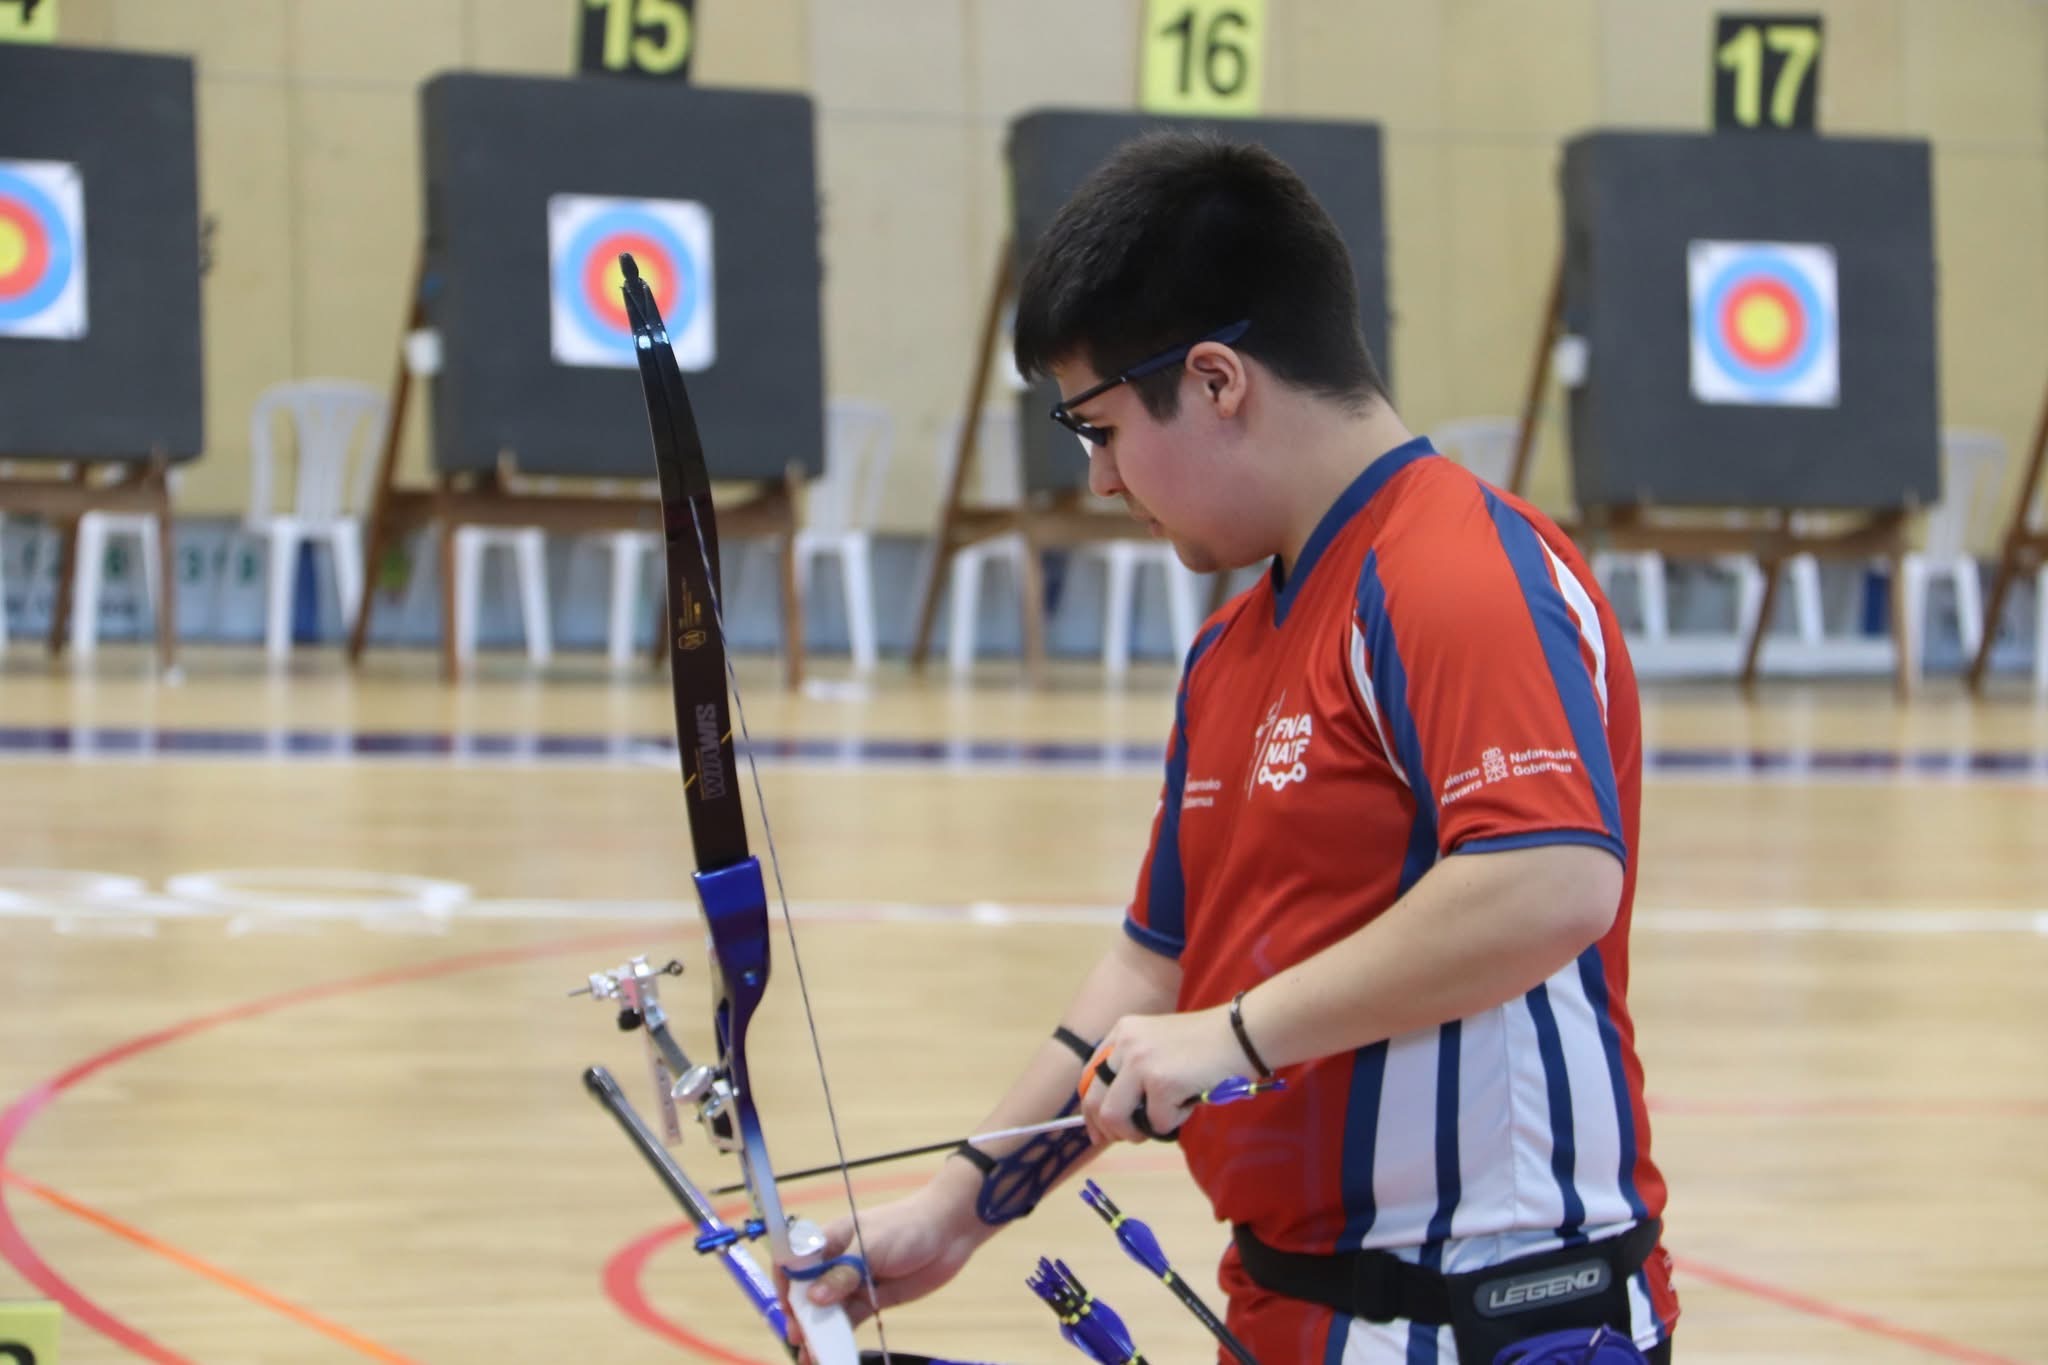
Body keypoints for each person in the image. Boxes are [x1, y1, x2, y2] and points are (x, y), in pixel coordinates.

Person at [802, 131, 1678, 1364]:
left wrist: (1235, 1036)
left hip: (1490, 1322)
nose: (1101, 480)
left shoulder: (1450, 570)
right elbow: (1152, 973)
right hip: (1292, 1312)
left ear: (1216, 380)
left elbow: (1548, 878)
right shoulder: (1230, 653)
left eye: (1099, 428)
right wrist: (956, 1210)